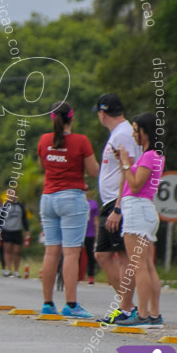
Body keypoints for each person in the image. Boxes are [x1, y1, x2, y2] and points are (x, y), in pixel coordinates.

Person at [37, 101, 99, 318]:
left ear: (52, 118)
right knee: (71, 252)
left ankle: (47, 303)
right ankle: (71, 305)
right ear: (72, 118)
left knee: (51, 251)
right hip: (72, 197)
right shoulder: (81, 141)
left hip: (48, 197)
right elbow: (93, 172)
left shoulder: (45, 140)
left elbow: (42, 165)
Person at [113, 113, 165, 328]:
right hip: (143, 211)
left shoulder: (150, 156)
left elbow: (134, 186)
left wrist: (126, 164)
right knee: (148, 266)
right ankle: (153, 314)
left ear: (145, 131)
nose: (133, 134)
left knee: (138, 266)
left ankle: (142, 315)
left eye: (136, 130)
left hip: (137, 210)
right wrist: (124, 163)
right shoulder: (154, 155)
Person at [93, 94, 142, 325]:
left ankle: (126, 308)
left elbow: (128, 170)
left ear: (102, 114)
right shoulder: (119, 132)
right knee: (102, 254)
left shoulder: (123, 133)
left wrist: (119, 208)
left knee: (122, 257)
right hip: (110, 202)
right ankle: (127, 305)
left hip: (117, 202)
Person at [0, 188, 29, 277]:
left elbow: (24, 219)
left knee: (17, 251)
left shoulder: (20, 206)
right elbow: (0, 219)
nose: (11, 196)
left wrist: (27, 230)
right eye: (10, 194)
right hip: (7, 230)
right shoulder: (4, 206)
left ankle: (16, 270)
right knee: (7, 251)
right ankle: (8, 269)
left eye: (13, 194)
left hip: (17, 230)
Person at [84, 189, 99, 285]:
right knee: (75, 255)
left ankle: (90, 276)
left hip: (90, 233)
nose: (86, 192)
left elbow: (96, 220)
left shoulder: (93, 204)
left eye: (87, 190)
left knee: (90, 255)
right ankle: (75, 275)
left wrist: (97, 234)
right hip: (79, 233)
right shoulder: (77, 203)